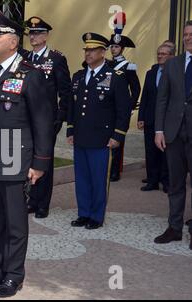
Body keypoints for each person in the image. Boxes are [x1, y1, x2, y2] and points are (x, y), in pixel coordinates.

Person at [0, 10, 53, 298]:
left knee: (16, 222)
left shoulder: (31, 75)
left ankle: (14, 275)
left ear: (13, 41)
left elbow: (43, 121)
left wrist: (40, 162)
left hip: (16, 159)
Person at [67, 32, 131, 230]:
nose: (88, 53)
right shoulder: (78, 76)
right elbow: (72, 106)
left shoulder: (115, 77)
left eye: (93, 50)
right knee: (82, 178)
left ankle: (96, 215)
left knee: (98, 178)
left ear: (103, 52)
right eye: (86, 50)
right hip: (81, 136)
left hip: (102, 138)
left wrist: (118, 135)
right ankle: (84, 213)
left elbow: (124, 109)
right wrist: (70, 129)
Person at [21, 16, 73, 219]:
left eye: (37, 33)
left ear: (46, 35)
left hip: (46, 120)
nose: (32, 37)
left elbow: (65, 92)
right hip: (26, 120)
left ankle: (43, 203)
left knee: (44, 162)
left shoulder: (56, 59)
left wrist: (59, 118)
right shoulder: (24, 58)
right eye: (31, 33)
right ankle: (31, 199)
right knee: (28, 159)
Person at [154, 21, 192, 251]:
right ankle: (174, 228)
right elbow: (162, 99)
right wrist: (159, 130)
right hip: (174, 133)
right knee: (176, 184)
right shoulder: (173, 64)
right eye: (186, 34)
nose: (188, 38)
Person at [107, 13, 141, 182]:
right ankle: (105, 167)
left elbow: (136, 88)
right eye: (111, 46)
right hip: (106, 108)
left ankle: (115, 171)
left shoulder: (128, 66)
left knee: (117, 139)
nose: (113, 49)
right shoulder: (105, 64)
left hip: (120, 109)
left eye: (116, 47)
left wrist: (130, 105)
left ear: (122, 48)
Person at [138, 44, 174, 193]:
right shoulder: (151, 73)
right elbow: (145, 95)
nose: (160, 56)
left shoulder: (175, 73)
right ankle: (152, 181)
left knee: (166, 153)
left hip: (168, 120)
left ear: (171, 56)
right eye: (158, 53)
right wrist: (141, 117)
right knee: (151, 151)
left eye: (164, 54)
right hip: (150, 118)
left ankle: (166, 182)